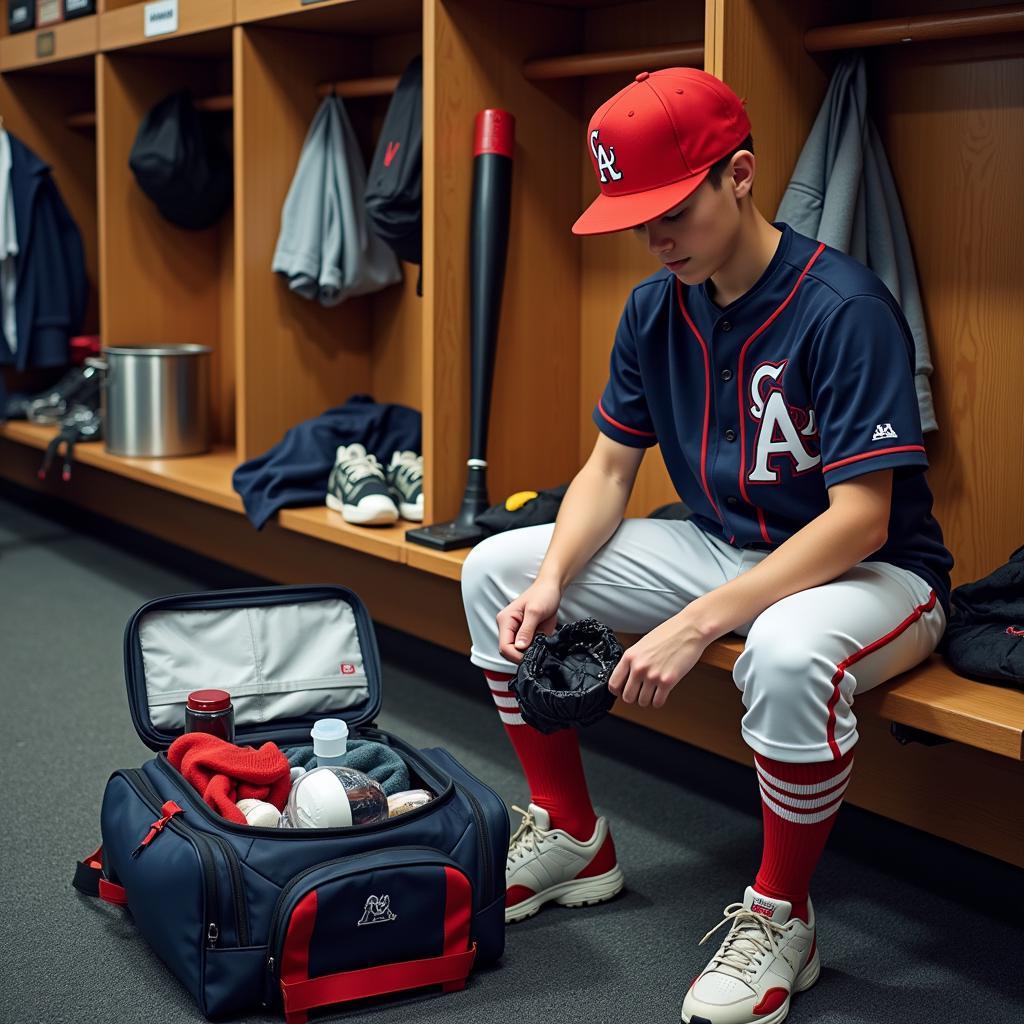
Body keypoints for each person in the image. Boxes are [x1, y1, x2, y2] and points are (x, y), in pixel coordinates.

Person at [460, 67, 953, 1024]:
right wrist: (554, 578)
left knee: (783, 649)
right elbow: (608, 474)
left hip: (875, 573)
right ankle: (570, 834)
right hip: (725, 546)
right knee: (498, 569)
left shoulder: (843, 308)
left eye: (672, 211)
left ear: (740, 175)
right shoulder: (654, 307)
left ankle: (782, 915)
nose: (655, 238)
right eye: (638, 217)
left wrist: (695, 625)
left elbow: (862, 519)